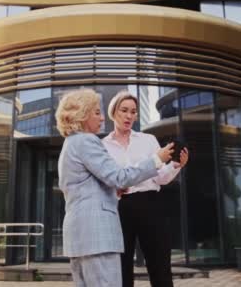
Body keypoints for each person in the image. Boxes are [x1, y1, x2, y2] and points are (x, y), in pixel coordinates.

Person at [55, 88, 175, 287]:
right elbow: (119, 177)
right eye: (96, 112)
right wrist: (157, 159)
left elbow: (84, 185)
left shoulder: (71, 143)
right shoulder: (87, 141)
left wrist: (113, 191)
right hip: (97, 237)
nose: (102, 119)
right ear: (81, 115)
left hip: (81, 236)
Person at [102, 90, 189, 287]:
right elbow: (105, 180)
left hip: (150, 204)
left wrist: (177, 165)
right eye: (124, 110)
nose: (129, 116)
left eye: (133, 112)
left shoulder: (148, 140)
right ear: (114, 112)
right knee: (121, 266)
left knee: (159, 263)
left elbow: (161, 178)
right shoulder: (103, 146)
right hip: (119, 208)